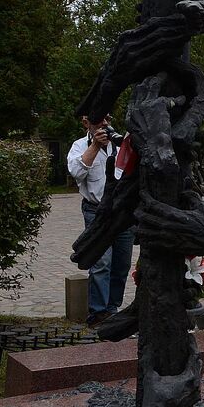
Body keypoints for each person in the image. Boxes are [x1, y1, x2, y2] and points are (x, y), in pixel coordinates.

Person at [67, 115, 135, 326]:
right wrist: (95, 145)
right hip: (96, 211)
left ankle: (112, 308)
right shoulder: (79, 146)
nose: (104, 124)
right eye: (98, 120)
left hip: (123, 212)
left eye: (106, 118)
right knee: (101, 262)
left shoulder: (121, 143)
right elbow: (76, 172)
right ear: (86, 123)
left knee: (121, 263)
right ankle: (98, 313)